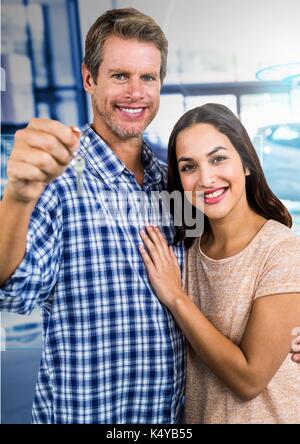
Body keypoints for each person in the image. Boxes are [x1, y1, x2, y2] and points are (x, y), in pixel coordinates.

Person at [0, 8, 185, 423]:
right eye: (120, 76)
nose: (136, 92)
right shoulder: (57, 178)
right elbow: (11, 290)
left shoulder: (173, 183)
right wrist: (17, 196)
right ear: (89, 79)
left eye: (148, 78)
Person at [139, 103, 300, 424]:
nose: (206, 178)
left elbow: (249, 380)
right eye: (189, 167)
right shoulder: (188, 252)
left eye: (218, 158)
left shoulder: (282, 250)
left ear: (246, 164)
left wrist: (176, 299)